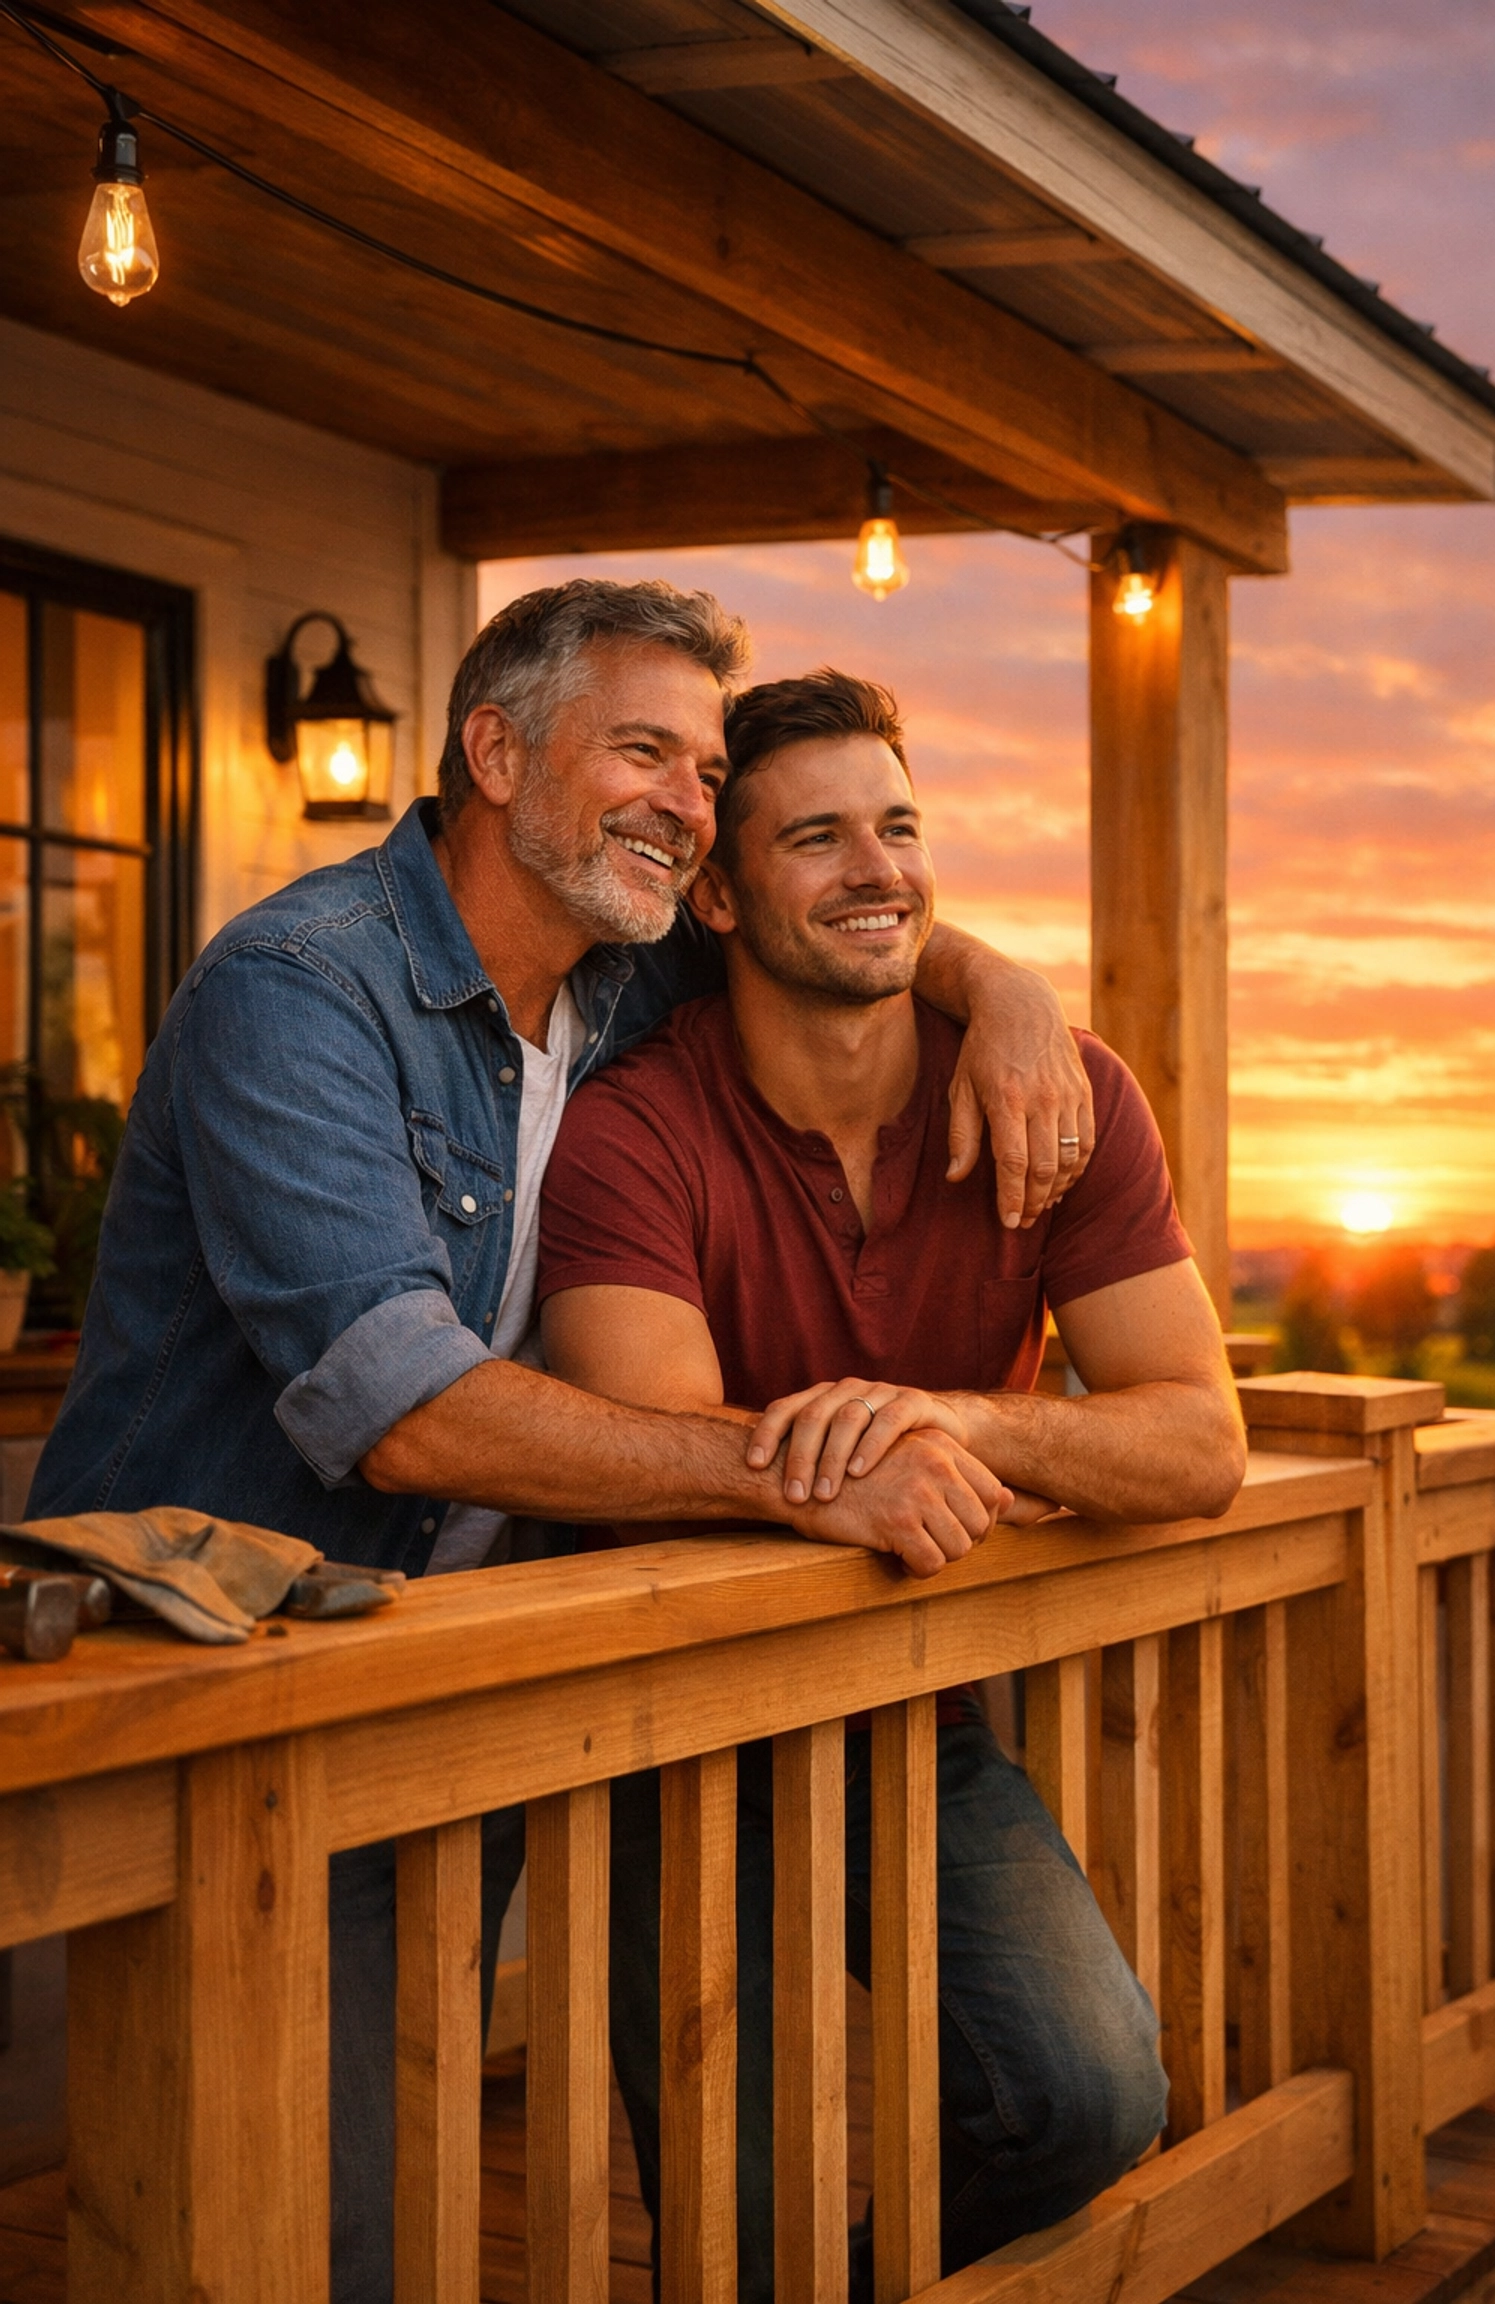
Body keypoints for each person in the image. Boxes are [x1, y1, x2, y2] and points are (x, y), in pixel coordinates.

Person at [28, 586, 1095, 2304]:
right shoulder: (296, 989)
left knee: (406, 2190)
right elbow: (404, 1409)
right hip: (232, 1684)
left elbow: (843, 917)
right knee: (307, 2228)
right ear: (498, 753)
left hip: (465, 1664)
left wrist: (1011, 991)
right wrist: (809, 1469)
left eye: (707, 771)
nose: (689, 803)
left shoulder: (626, 957)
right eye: (645, 752)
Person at [536, 669, 1249, 2300]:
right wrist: (871, 1456)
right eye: (817, 838)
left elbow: (1199, 1442)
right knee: (736, 2210)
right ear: (719, 895)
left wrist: (965, 1424)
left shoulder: (1062, 1093)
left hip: (907, 1708)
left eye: (902, 828)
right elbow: (654, 1454)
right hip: (671, 1719)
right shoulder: (635, 1128)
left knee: (1089, 2093)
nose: (880, 871)